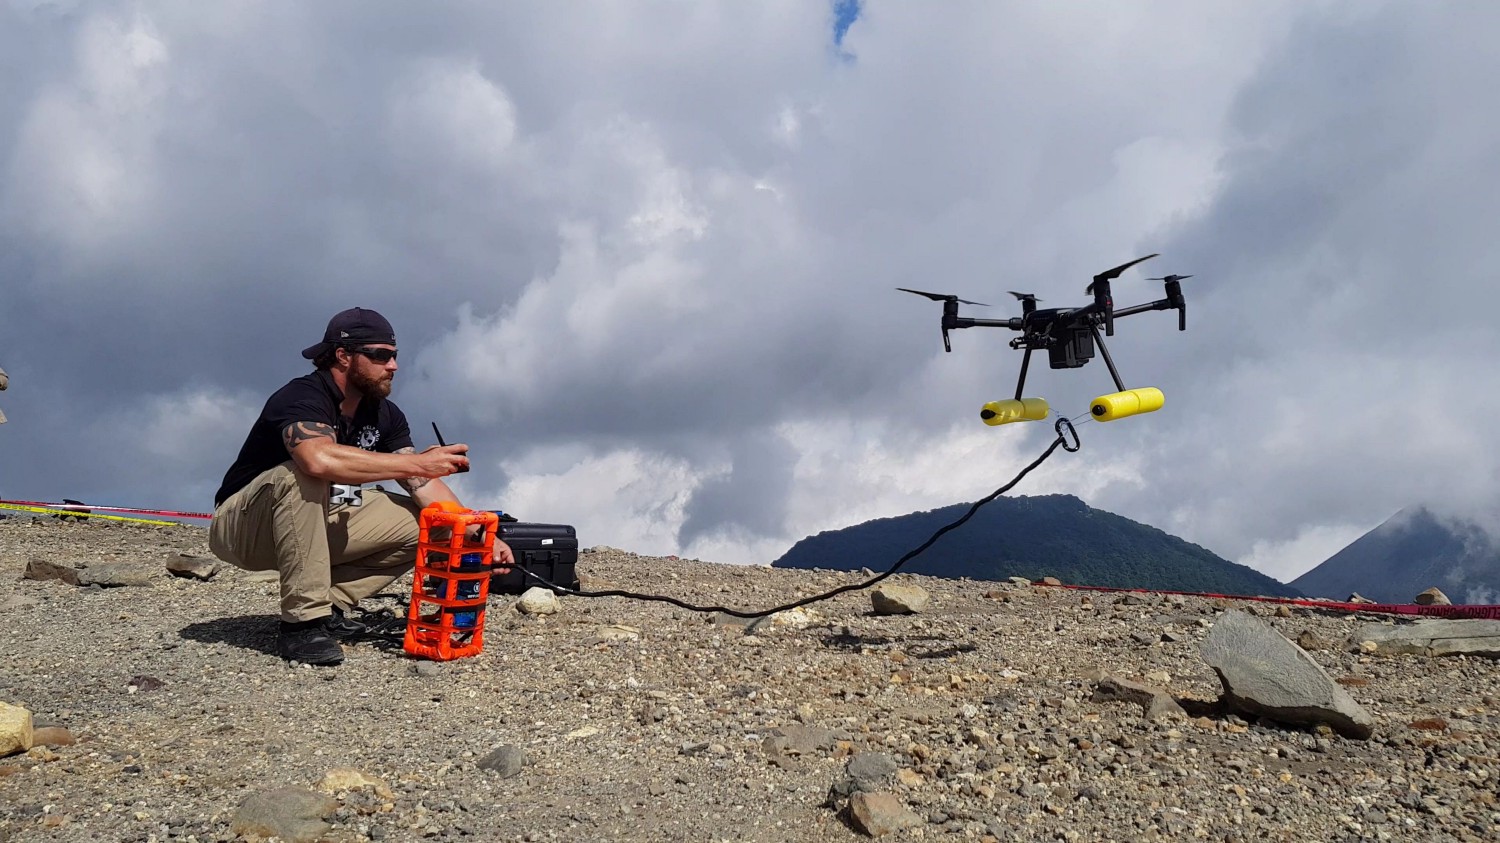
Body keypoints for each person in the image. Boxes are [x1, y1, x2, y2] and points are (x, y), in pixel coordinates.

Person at [209, 307, 512, 665]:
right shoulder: (302, 396)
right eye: (380, 355)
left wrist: (479, 535)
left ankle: (330, 606)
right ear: (343, 356)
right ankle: (302, 624)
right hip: (243, 529)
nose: (393, 366)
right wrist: (417, 461)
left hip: (315, 522)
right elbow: (316, 459)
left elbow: (422, 485)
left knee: (430, 524)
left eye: (395, 356)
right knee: (300, 473)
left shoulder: (385, 413)